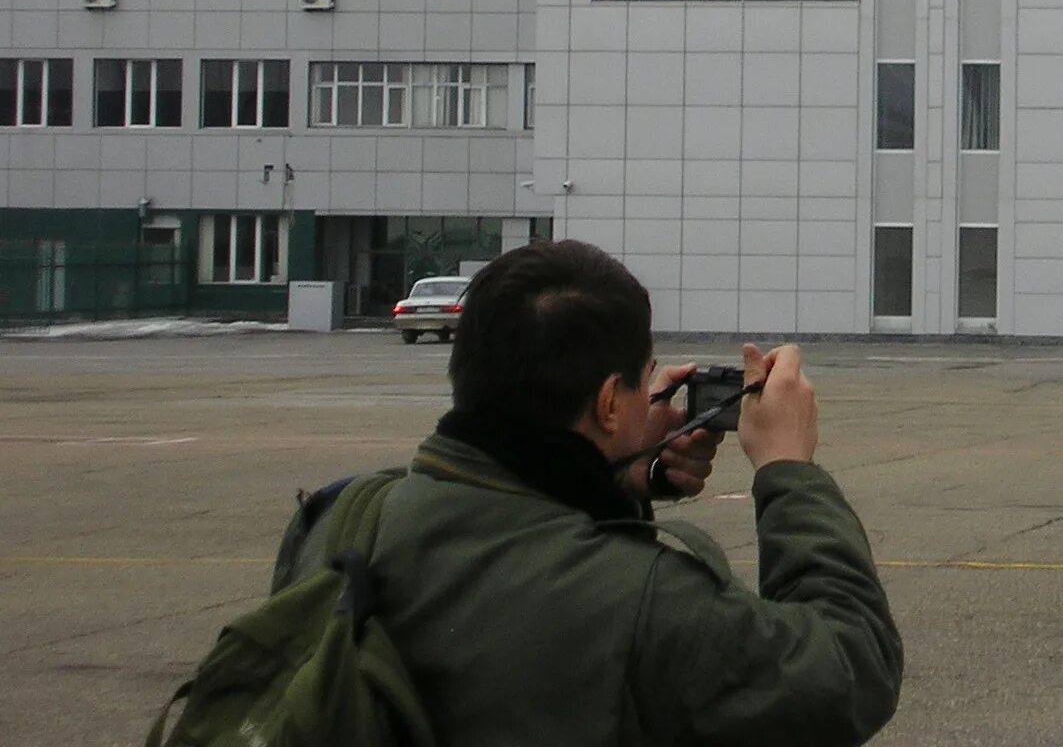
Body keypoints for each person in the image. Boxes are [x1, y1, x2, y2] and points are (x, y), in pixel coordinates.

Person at [273, 241, 902, 746]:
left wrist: (612, 474)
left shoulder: (342, 515)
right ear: (607, 401)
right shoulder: (646, 600)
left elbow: (515, 551)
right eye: (637, 384)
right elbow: (851, 672)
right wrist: (788, 468)